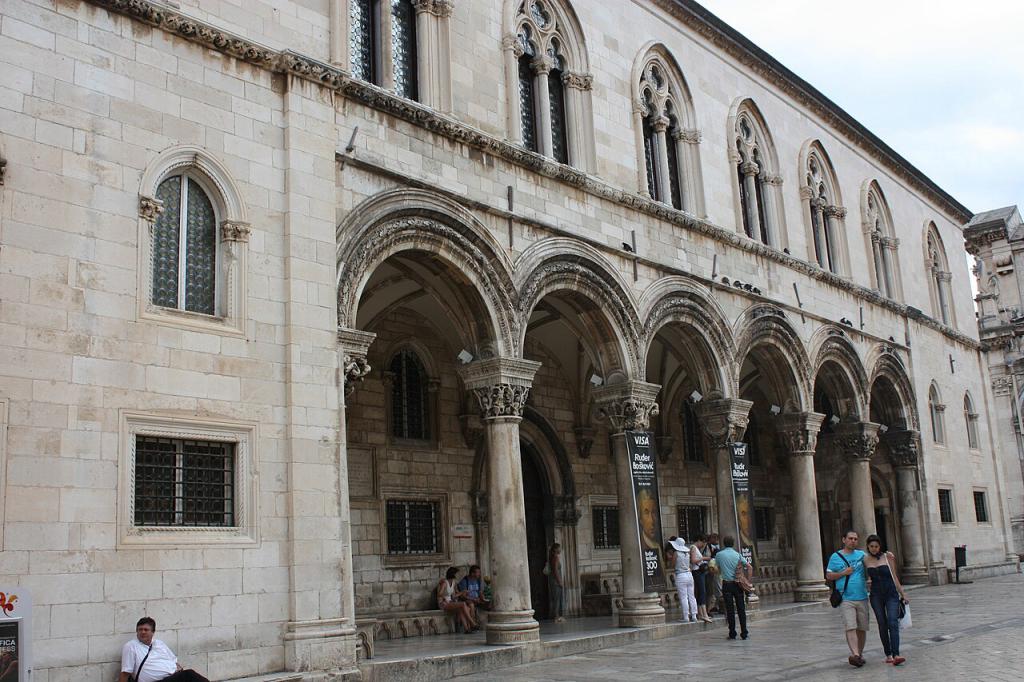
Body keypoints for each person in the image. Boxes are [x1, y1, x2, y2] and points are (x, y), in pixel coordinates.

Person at [826, 530, 870, 668]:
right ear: (844, 539)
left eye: (856, 539)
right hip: (845, 598)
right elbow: (829, 576)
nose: (853, 541)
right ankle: (855, 654)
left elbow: (874, 562)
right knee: (850, 626)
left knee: (862, 628)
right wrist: (843, 573)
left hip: (862, 596)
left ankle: (860, 654)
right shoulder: (835, 556)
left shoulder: (862, 555)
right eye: (850, 538)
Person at [119, 617, 210, 682]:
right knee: (189, 674)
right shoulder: (131, 646)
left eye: (146, 630)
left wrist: (179, 671)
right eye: (140, 629)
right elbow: (125, 672)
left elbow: (174, 662)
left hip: (172, 677)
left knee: (186, 675)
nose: (142, 632)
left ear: (153, 632)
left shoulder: (159, 644)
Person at [863, 534, 908, 666]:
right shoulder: (865, 560)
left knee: (892, 621)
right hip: (876, 595)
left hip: (891, 593)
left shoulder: (888, 557)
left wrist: (903, 593)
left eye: (876, 546)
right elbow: (864, 576)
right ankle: (888, 654)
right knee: (882, 623)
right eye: (871, 546)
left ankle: (896, 654)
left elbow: (894, 576)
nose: (874, 549)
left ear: (879, 546)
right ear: (868, 547)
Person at [715, 535, 751, 640]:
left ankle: (732, 633)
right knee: (741, 609)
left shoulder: (719, 555)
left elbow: (716, 568)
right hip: (737, 584)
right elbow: (749, 567)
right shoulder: (737, 555)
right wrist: (748, 581)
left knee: (729, 610)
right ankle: (744, 633)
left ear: (724, 543)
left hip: (726, 584)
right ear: (733, 543)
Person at [437, 566, 478, 633]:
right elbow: (439, 594)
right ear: (453, 574)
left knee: (461, 609)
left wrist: (462, 592)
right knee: (463, 604)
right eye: (457, 574)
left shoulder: (453, 583)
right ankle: (472, 623)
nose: (458, 575)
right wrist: (444, 597)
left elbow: (453, 596)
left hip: (450, 602)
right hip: (443, 603)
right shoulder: (444, 583)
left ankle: (467, 629)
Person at [668, 537, 697, 622]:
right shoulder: (687, 553)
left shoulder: (676, 553)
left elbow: (672, 565)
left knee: (683, 597)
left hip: (681, 575)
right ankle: (694, 615)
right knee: (692, 596)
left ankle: (686, 617)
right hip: (689, 575)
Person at [690, 534, 713, 623]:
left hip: (700, 572)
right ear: (699, 540)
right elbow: (693, 560)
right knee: (702, 591)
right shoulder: (693, 547)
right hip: (697, 572)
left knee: (701, 592)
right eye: (703, 542)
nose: (703, 545)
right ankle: (703, 614)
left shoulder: (696, 548)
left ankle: (701, 613)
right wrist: (703, 558)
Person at [546, 543, 566, 622]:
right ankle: (557, 617)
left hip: (553, 581)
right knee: (557, 599)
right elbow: (555, 571)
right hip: (556, 582)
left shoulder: (552, 557)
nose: (560, 549)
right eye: (559, 548)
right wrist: (560, 581)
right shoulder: (555, 558)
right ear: (556, 549)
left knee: (555, 599)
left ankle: (557, 616)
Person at [705, 532, 722, 614]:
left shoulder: (717, 548)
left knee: (718, 590)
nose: (716, 540)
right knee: (714, 590)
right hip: (714, 574)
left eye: (716, 538)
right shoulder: (708, 546)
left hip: (717, 574)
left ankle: (719, 605)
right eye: (714, 538)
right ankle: (717, 606)